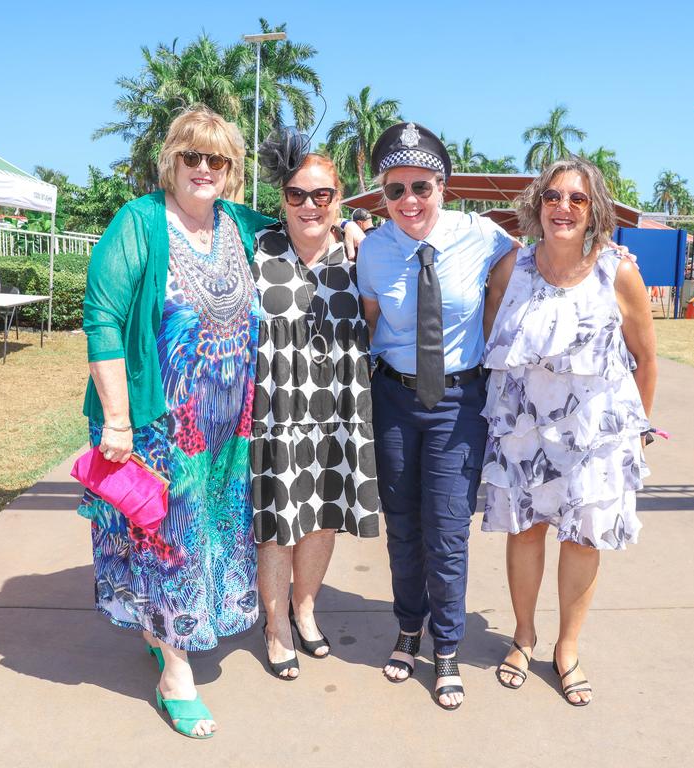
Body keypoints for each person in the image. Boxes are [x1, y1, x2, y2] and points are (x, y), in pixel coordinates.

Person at [79, 105, 273, 737]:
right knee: (172, 539)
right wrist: (115, 419)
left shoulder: (238, 223)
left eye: (217, 159)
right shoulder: (139, 222)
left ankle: (166, 632)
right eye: (192, 156)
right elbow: (102, 315)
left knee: (210, 537)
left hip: (227, 430)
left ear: (231, 169)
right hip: (158, 423)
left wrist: (349, 229)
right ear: (172, 160)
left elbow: (301, 231)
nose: (204, 169)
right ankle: (176, 675)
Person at [357, 121, 521, 710]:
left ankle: (446, 647)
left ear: (442, 185)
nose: (409, 202)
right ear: (383, 193)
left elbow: (530, 263)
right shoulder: (374, 248)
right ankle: (408, 628)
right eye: (395, 190)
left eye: (421, 186)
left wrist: (604, 250)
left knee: (448, 529)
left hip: (459, 402)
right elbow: (374, 321)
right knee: (402, 523)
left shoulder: (482, 235)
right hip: (396, 400)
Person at [481, 157, 657, 706]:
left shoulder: (619, 273)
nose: (563, 207)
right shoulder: (512, 269)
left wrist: (636, 432)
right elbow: (495, 343)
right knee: (526, 532)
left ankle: (567, 648)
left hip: (593, 438)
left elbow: (645, 358)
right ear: (538, 204)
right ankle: (524, 635)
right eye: (553, 196)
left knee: (582, 540)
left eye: (577, 199)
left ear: (594, 209)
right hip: (525, 433)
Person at [251, 128, 379, 680]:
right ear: (282, 197)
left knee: (323, 517)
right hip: (276, 408)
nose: (309, 205)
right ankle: (274, 624)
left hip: (339, 405)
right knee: (280, 521)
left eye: (321, 195)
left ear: (338, 199)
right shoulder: (256, 250)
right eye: (297, 194)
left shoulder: (362, 256)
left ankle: (306, 611)